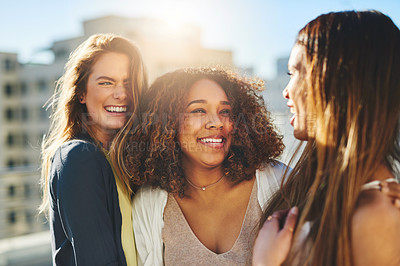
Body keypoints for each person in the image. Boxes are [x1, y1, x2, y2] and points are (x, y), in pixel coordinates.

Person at [253, 10, 400, 266]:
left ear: (341, 81)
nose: (287, 92)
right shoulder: (332, 188)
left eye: (297, 72)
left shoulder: (376, 217)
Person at [112, 66, 286, 265]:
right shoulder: (149, 204)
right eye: (198, 110)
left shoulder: (279, 184)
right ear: (168, 123)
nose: (216, 122)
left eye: (225, 111)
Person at [40, 33, 147, 265]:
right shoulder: (79, 158)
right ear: (81, 93)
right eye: (106, 82)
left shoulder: (121, 162)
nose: (121, 94)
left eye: (128, 83)